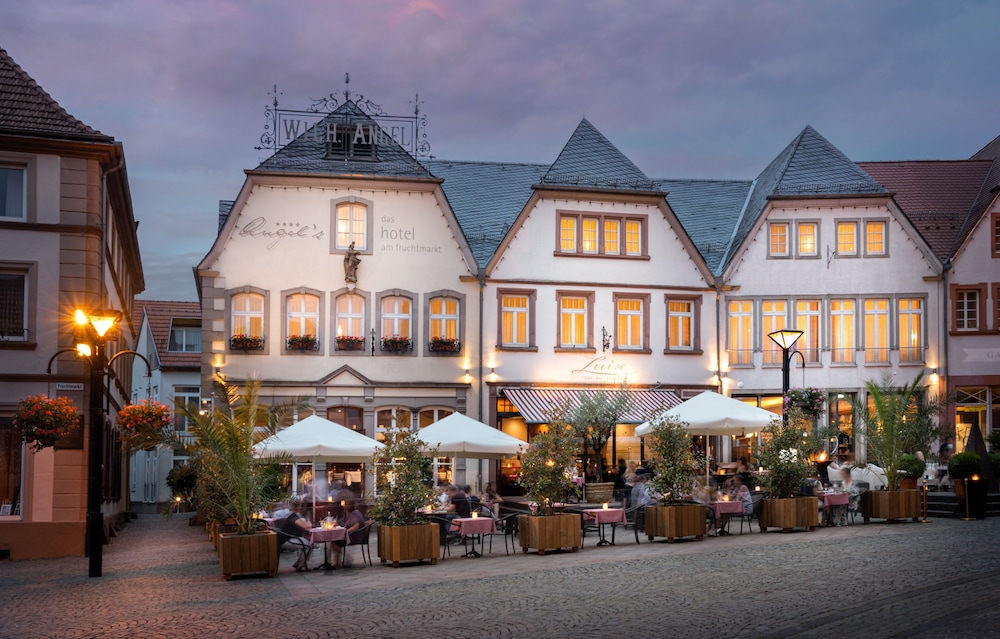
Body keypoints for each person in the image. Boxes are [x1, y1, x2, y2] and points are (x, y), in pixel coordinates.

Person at [279, 507, 313, 571]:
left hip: (288, 538)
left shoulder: (294, 516)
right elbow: (307, 526)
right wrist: (308, 518)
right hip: (286, 540)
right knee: (308, 545)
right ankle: (301, 564)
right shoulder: (294, 518)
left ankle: (298, 563)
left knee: (308, 544)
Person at [335, 498, 367, 567]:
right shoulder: (347, 513)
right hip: (350, 535)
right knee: (334, 541)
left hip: (357, 536)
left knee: (334, 542)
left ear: (350, 505)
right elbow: (345, 524)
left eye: (346, 504)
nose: (344, 505)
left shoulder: (356, 513)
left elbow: (356, 527)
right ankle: (337, 561)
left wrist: (345, 531)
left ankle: (347, 558)